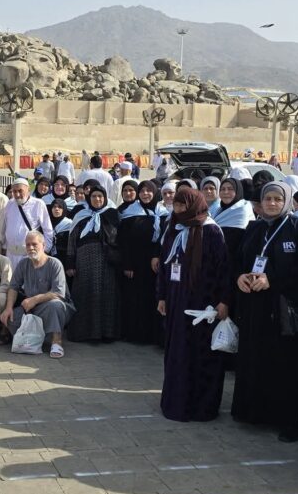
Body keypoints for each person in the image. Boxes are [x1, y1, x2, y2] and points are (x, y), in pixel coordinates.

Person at [232, 181, 298, 442]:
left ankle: (288, 421)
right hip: (255, 306)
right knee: (255, 359)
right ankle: (254, 412)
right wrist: (239, 277)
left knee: (285, 365)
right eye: (267, 199)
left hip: (285, 308)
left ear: (287, 201)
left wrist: (273, 279)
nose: (271, 203)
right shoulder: (254, 228)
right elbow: (239, 260)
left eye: (277, 199)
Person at [156, 188, 230, 421]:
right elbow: (165, 266)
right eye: (176, 205)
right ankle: (176, 402)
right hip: (177, 303)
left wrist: (224, 301)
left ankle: (201, 406)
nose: (178, 210)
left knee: (201, 355)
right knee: (178, 352)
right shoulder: (174, 228)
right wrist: (162, 296)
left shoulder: (211, 231)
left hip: (203, 304)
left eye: (182, 205)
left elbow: (224, 270)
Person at [0, 231, 74, 358]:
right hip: (31, 308)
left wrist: (35, 299)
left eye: (34, 244)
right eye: (28, 245)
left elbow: (58, 293)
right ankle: (34, 340)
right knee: (11, 318)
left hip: (54, 306)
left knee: (54, 305)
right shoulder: (24, 263)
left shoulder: (54, 263)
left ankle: (56, 342)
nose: (31, 248)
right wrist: (8, 308)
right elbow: (13, 287)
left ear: (43, 245)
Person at [65, 184, 121, 344]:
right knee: (86, 294)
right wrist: (70, 263)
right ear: (89, 198)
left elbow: (119, 239)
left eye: (100, 196)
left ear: (105, 198)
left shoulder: (112, 214)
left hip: (107, 265)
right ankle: (87, 333)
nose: (97, 199)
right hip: (84, 264)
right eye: (94, 196)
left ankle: (106, 333)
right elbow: (72, 240)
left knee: (106, 296)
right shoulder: (80, 215)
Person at [118, 180, 164, 346]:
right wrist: (127, 264)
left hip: (155, 263)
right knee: (135, 299)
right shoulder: (131, 213)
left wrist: (157, 255)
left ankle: (152, 335)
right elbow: (124, 241)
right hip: (136, 264)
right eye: (142, 191)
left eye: (148, 191)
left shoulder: (164, 213)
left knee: (153, 298)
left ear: (154, 192)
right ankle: (135, 335)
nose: (145, 194)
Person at [3, 178, 53, 268]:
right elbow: (5, 226)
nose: (17, 194)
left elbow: (48, 230)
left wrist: (44, 252)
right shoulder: (9, 204)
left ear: (28, 190)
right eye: (14, 191)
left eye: (20, 191)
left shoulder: (38, 204)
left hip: (29, 255)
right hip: (10, 255)